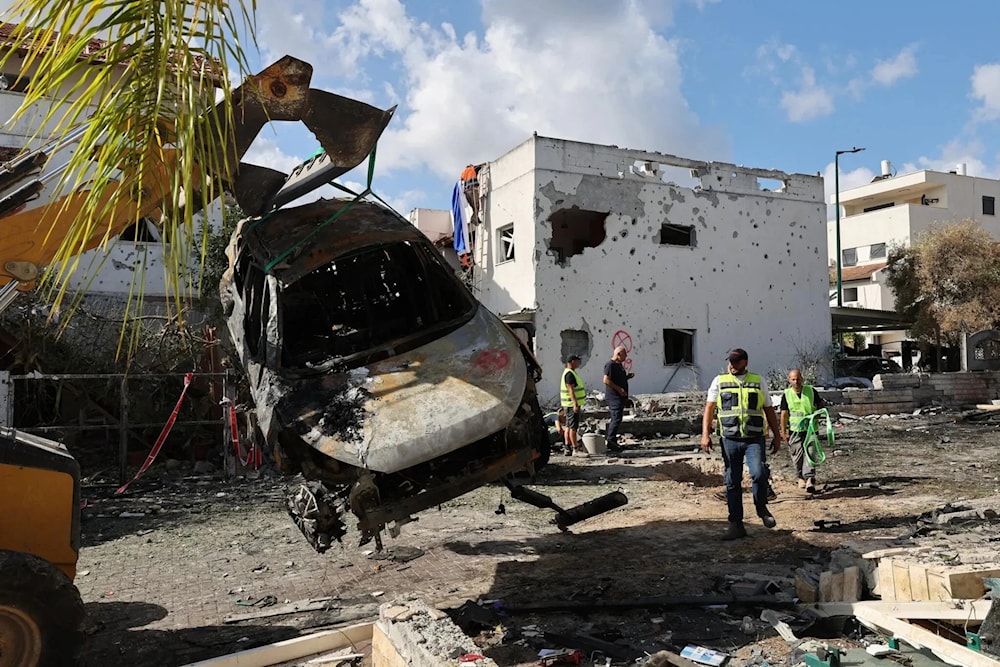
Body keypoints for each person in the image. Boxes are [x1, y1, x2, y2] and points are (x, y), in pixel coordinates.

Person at [701, 348, 782, 540]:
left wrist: (777, 435)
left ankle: (761, 508)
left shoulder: (757, 380)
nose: (732, 365)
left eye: (736, 362)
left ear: (745, 362)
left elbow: (768, 408)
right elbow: (709, 409)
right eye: (730, 361)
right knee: (732, 482)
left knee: (759, 473)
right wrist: (705, 434)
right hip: (729, 439)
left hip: (754, 438)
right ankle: (736, 524)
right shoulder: (719, 381)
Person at [780, 368, 826, 492]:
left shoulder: (811, 391)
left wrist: (817, 415)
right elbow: (784, 415)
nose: (796, 381)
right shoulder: (787, 394)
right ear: (789, 380)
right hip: (795, 430)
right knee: (797, 455)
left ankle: (810, 479)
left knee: (810, 453)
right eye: (793, 379)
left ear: (802, 379)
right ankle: (800, 477)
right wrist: (783, 432)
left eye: (798, 378)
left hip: (811, 429)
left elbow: (821, 406)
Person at [603, 346, 635, 452]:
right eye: (624, 354)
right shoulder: (610, 365)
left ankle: (613, 440)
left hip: (620, 397)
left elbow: (618, 378)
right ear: (618, 354)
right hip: (614, 397)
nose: (626, 357)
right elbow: (606, 380)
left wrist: (627, 377)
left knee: (618, 418)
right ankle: (611, 441)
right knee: (616, 418)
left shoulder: (619, 365)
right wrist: (619, 389)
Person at [560, 355, 585, 456]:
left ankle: (567, 447)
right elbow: (571, 390)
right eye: (578, 361)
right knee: (573, 427)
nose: (579, 364)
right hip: (571, 404)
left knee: (568, 426)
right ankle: (575, 449)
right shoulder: (569, 374)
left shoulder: (569, 372)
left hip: (568, 404)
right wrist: (575, 404)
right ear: (572, 361)